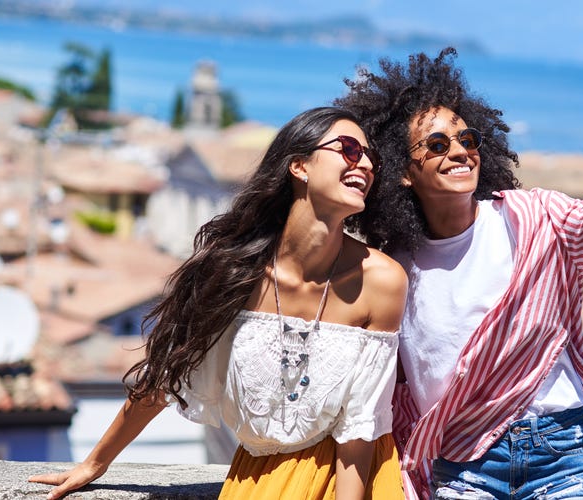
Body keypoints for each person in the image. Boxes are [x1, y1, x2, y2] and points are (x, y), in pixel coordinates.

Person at [334, 48, 583, 499]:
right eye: (437, 145)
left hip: (560, 452)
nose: (459, 152)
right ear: (403, 172)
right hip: (462, 462)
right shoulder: (395, 269)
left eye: (467, 139)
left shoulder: (538, 220)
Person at [28, 106, 409, 500]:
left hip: (350, 480)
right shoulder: (233, 272)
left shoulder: (382, 282)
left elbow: (359, 430)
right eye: (348, 149)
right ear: (299, 166)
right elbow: (164, 376)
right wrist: (95, 463)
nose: (364, 163)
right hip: (254, 478)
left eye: (370, 157)